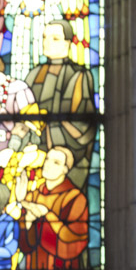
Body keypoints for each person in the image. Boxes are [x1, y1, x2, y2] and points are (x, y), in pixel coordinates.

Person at [14, 146, 99, 270]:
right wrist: (27, 221)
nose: (48, 164)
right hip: (36, 268)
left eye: (56, 162)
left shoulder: (75, 198)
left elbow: (75, 238)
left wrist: (47, 215)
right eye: (48, 159)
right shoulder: (33, 195)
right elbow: (26, 245)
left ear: (65, 170)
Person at [23, 20, 98, 190]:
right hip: (33, 151)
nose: (46, 42)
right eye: (44, 37)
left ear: (68, 44)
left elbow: (84, 125)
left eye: (54, 38)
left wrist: (49, 126)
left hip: (67, 153)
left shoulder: (79, 75)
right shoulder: (33, 75)